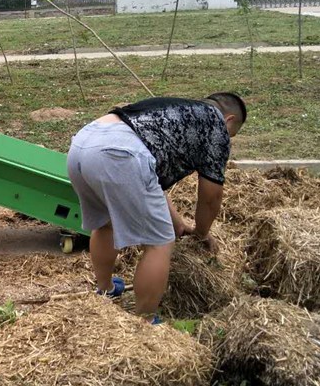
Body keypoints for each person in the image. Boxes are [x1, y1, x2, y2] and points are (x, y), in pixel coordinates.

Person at [67, 93, 247, 324]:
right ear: (229, 120)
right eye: (231, 134)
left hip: (83, 144)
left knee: (106, 223)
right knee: (160, 242)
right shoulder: (215, 126)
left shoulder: (176, 111)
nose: (227, 139)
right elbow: (211, 197)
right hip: (119, 155)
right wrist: (201, 234)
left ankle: (105, 290)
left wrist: (179, 223)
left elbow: (150, 181)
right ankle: (145, 320)